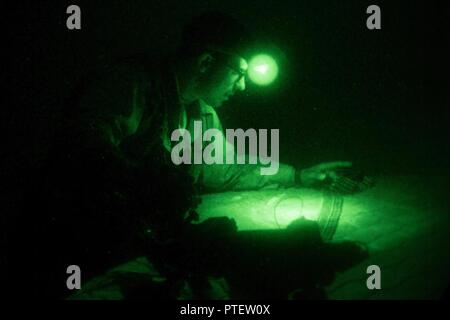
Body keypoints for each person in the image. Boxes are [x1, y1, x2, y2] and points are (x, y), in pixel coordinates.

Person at [11, 11, 366, 299]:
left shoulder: (201, 114)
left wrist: (298, 176)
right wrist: (141, 181)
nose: (241, 86)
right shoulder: (131, 83)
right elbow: (83, 143)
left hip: (128, 248)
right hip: (65, 251)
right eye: (239, 73)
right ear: (206, 62)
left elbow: (229, 170)